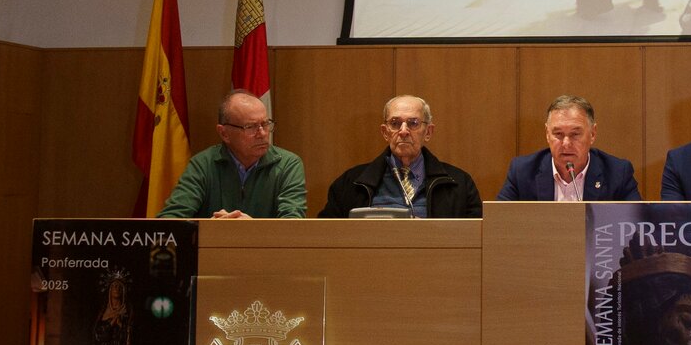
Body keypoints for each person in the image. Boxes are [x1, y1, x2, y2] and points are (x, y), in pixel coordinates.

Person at [319, 95, 481, 218]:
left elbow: (477, 237)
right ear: (385, 132)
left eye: (413, 123)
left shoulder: (459, 183)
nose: (403, 131)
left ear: (428, 132)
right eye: (395, 124)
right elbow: (326, 235)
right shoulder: (351, 183)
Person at [159, 90, 305, 219]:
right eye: (251, 127)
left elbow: (293, 225)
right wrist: (211, 229)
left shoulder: (287, 164)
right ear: (224, 133)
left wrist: (253, 229)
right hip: (213, 249)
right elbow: (170, 221)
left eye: (265, 124)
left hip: (264, 250)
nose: (262, 133)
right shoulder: (203, 164)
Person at [496, 94, 640, 201]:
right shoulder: (523, 171)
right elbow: (498, 224)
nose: (566, 143)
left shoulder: (617, 173)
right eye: (558, 134)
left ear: (592, 134)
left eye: (575, 134)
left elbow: (637, 227)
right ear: (547, 134)